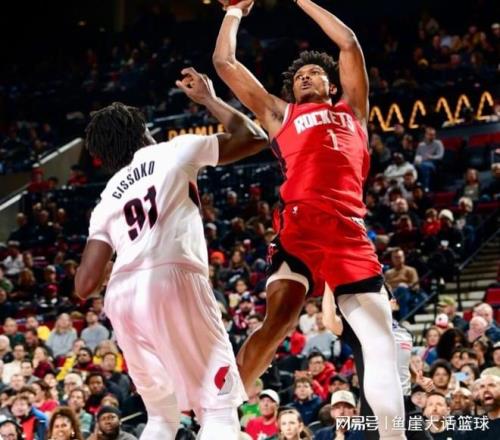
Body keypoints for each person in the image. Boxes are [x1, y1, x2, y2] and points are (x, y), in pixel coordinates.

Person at [213, 2, 405, 438]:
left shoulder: (354, 112)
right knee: (277, 322)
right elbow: (225, 63)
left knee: (380, 342)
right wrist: (234, 13)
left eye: (314, 73)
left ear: (331, 84)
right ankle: (219, 417)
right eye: (299, 76)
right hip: (300, 227)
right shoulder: (280, 114)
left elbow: (348, 42)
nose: (304, 77)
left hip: (349, 231)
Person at [75, 68, 268, 440]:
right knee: (219, 408)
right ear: (142, 130)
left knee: (161, 417)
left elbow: (84, 285)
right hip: (172, 277)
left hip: (122, 297)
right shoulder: (171, 151)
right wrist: (209, 99)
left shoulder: (106, 197)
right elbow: (254, 137)